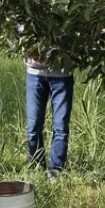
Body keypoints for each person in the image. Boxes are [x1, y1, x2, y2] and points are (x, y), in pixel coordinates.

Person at [24, 48, 74, 177]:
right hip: (35, 73)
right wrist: (28, 50)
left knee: (61, 127)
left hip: (62, 74)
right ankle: (36, 170)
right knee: (33, 127)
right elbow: (18, 35)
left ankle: (56, 173)